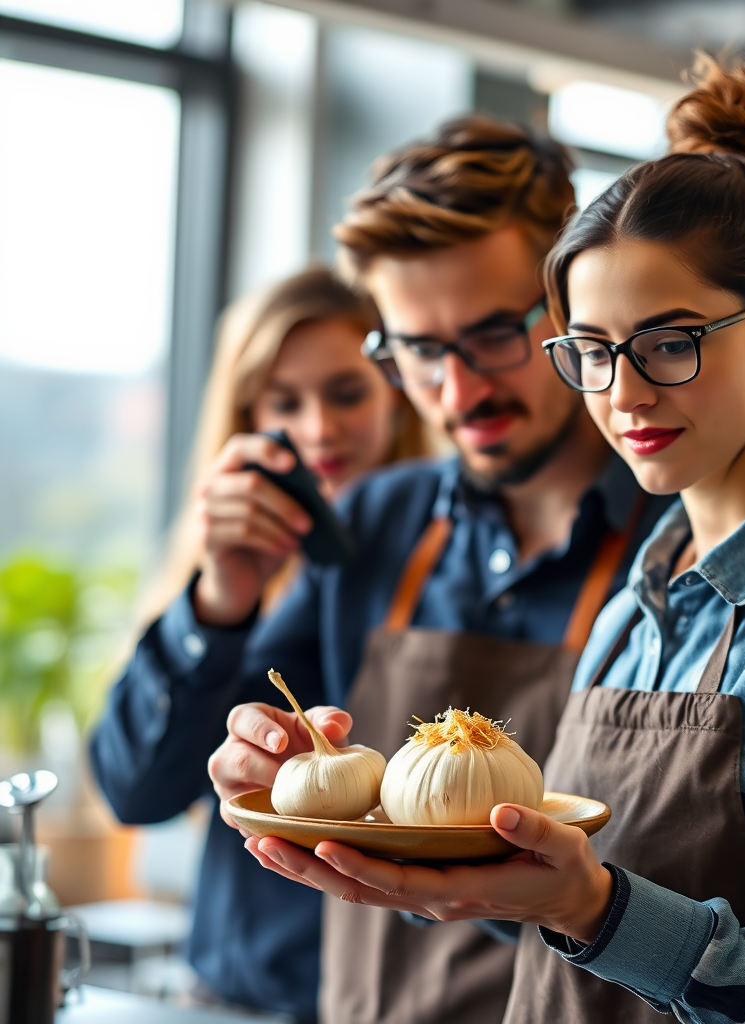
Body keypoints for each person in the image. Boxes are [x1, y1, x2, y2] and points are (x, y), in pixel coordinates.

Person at [247, 58, 745, 1024]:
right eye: (593, 352)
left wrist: (595, 906)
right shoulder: (643, 598)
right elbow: (560, 917)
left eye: (669, 342)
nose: (624, 392)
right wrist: (401, 843)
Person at [137, 117, 672, 1024]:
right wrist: (226, 633)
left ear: (572, 311)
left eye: (496, 334)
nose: (458, 394)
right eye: (419, 350)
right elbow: (143, 785)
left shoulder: (678, 543)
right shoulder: (379, 524)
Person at [91, 266, 426, 1021]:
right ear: (245, 415)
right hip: (233, 989)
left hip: (392, 988)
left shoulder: (446, 558)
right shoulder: (219, 575)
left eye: (346, 393)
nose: (318, 429)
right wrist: (220, 598)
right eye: (284, 402)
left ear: (395, 389)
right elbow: (134, 788)